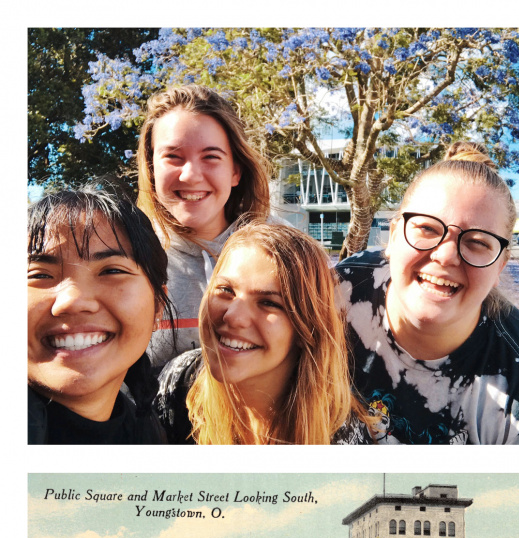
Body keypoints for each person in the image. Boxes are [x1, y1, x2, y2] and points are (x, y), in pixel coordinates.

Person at [336, 141, 519, 444]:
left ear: (500, 265)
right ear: (394, 237)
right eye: (427, 229)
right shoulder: (339, 290)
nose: (446, 256)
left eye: (477, 241)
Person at [155, 222, 371, 444]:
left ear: (307, 327)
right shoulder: (177, 382)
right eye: (225, 290)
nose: (233, 316)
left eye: (269, 302)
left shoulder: (340, 439)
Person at [137, 84, 271, 368]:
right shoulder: (126, 258)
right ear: (151, 168)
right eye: (173, 157)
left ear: (235, 171)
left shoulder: (283, 254)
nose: (191, 175)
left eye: (211, 157)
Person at [28, 186, 174, 444]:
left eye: (111, 271)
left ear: (158, 306)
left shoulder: (149, 433)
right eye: (40, 275)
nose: (72, 301)